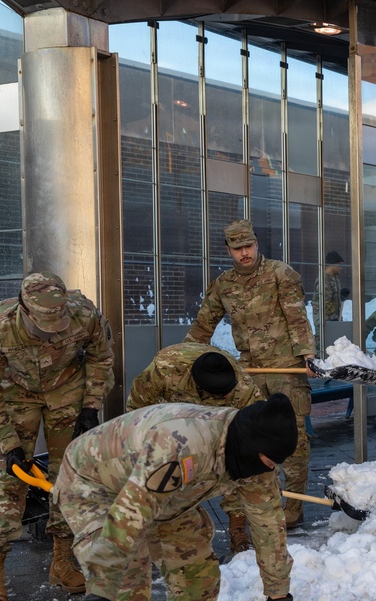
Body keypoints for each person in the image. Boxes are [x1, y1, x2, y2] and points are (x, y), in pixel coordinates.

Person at [60, 397, 297, 601]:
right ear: (249, 446)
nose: (269, 469)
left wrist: (278, 597)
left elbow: (268, 525)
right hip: (96, 486)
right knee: (125, 590)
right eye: (267, 461)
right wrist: (100, 593)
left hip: (166, 496)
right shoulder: (182, 444)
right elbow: (129, 517)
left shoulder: (259, 458)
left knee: (197, 572)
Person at [0, 271, 115, 601]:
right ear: (24, 309)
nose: (53, 330)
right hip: (15, 392)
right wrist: (8, 443)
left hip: (66, 388)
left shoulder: (84, 314)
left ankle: (62, 562)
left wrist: (91, 407)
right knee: (9, 478)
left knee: (70, 475)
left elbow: (101, 357)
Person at [185, 219, 317, 529]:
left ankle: (294, 509)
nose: (245, 253)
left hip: (286, 369)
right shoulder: (224, 285)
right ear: (228, 250)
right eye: (238, 248)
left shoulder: (279, 274)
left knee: (294, 441)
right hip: (252, 372)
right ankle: (256, 508)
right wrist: (183, 357)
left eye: (249, 246)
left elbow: (297, 318)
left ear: (256, 244)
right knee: (249, 440)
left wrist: (307, 354)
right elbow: (203, 326)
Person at [126, 341, 265, 553]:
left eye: (228, 393)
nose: (227, 397)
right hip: (173, 418)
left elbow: (258, 430)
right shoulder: (165, 370)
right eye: (220, 396)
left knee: (237, 460)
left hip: (221, 424)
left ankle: (237, 528)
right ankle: (180, 523)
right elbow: (137, 410)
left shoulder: (243, 388)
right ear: (200, 390)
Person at [312, 250, 345, 350]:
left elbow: (334, 299)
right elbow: (325, 302)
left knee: (334, 345)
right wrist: (334, 318)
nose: (341, 268)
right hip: (324, 320)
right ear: (332, 265)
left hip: (334, 319)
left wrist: (342, 297)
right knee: (322, 344)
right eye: (339, 265)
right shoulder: (324, 280)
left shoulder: (335, 279)